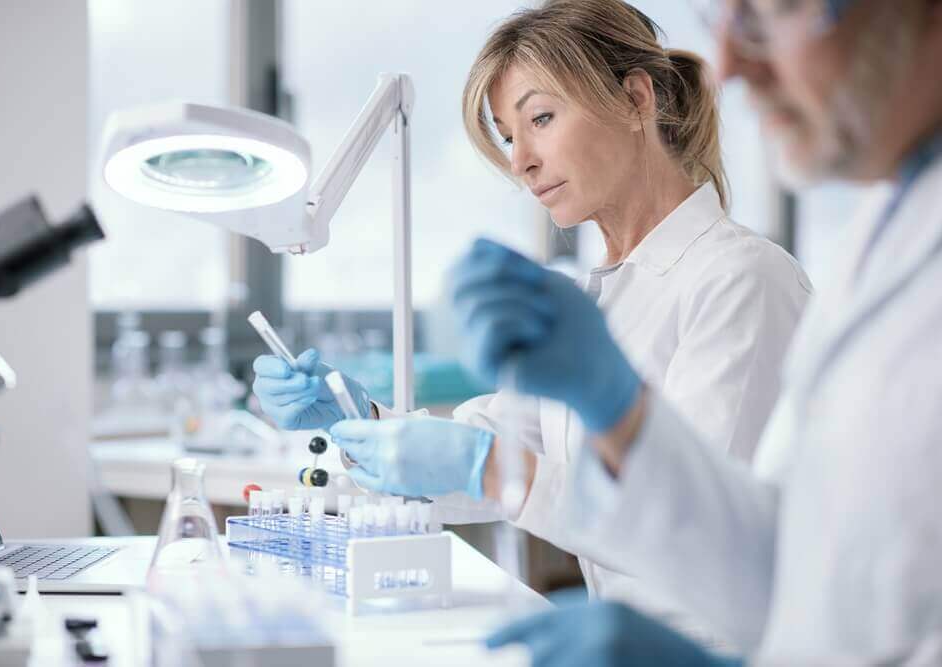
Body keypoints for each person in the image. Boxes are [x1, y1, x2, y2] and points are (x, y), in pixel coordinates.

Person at [253, 0, 810, 643]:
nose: (520, 161)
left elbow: (703, 530)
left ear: (635, 99)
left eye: (540, 118)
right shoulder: (605, 295)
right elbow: (487, 449)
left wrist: (488, 465)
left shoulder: (741, 281)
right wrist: (357, 420)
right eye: (509, 136)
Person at [450, 0, 942, 664]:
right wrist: (362, 423)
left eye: (778, 13)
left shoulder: (748, 277)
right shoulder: (879, 244)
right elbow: (794, 566)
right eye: (727, 21)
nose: (732, 66)